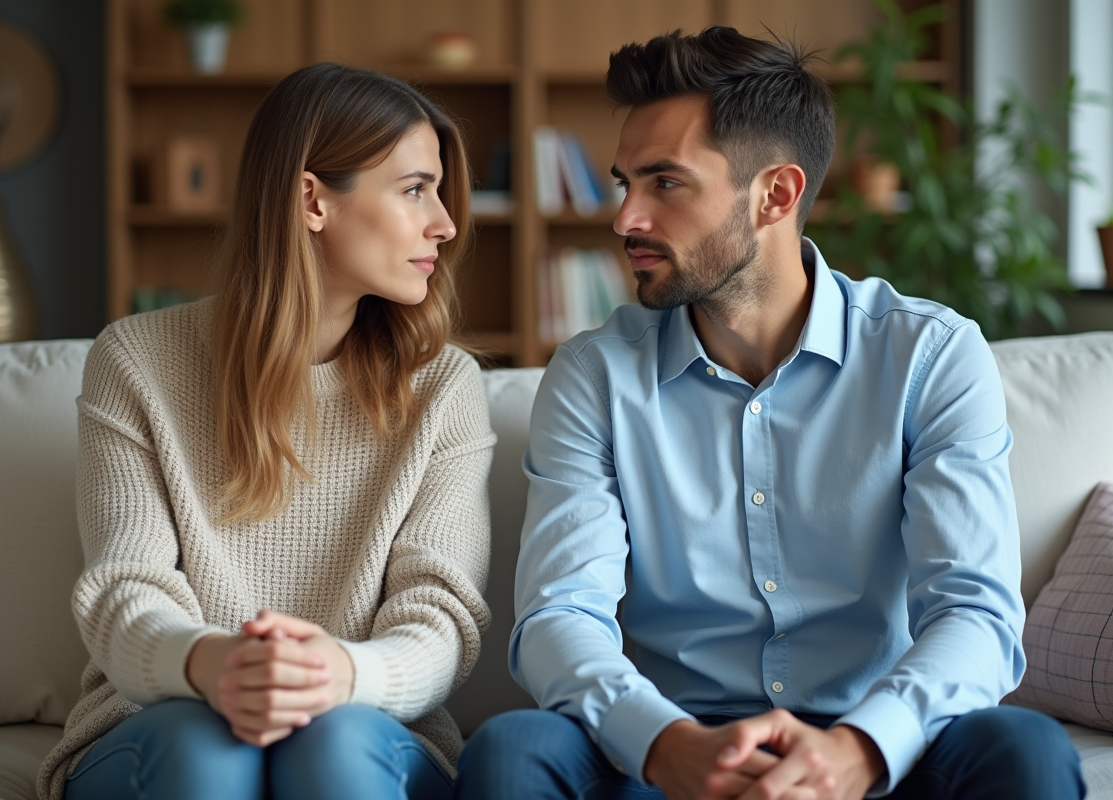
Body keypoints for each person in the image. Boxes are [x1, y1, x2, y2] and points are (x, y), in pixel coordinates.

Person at [454, 26, 1084, 800]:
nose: (625, 219)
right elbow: (558, 616)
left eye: (665, 183)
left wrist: (858, 750)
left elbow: (976, 614)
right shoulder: (594, 375)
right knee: (515, 749)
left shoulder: (931, 356)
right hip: (673, 755)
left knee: (1023, 750)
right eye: (625, 184)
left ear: (776, 195)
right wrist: (667, 745)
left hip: (877, 751)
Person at [35, 63, 495, 800]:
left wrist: (337, 673)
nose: (445, 221)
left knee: (335, 742)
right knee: (206, 743)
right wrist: (215, 666)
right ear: (312, 201)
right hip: (165, 717)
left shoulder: (444, 387)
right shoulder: (136, 362)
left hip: (368, 724)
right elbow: (126, 592)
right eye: (415, 189)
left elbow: (439, 615)